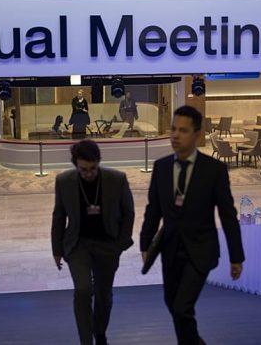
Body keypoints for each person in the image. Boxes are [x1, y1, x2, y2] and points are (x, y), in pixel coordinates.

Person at [140, 105, 244, 345]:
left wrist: (236, 256)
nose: (175, 135)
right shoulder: (161, 167)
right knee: (171, 303)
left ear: (197, 134)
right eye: (173, 129)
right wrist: (145, 243)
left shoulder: (214, 170)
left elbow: (227, 215)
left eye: (183, 130)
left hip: (200, 250)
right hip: (170, 249)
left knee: (182, 308)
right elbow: (153, 209)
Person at [51, 140, 135, 345]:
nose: (88, 173)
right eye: (83, 170)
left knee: (104, 296)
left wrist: (120, 244)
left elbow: (129, 212)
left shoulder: (117, 179)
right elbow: (59, 216)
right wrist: (57, 249)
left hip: (107, 244)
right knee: (83, 290)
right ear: (76, 165)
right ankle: (86, 341)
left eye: (92, 168)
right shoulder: (64, 181)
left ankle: (100, 332)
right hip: (78, 244)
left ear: (99, 162)